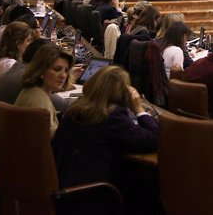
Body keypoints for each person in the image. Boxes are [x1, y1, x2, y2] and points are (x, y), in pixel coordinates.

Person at [53, 65, 158, 214]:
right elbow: (154, 139)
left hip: (67, 189)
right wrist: (139, 110)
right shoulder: (112, 116)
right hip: (92, 196)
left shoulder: (75, 110)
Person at [14, 45, 73, 137]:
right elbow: (49, 139)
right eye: (57, 69)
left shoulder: (31, 91)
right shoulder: (39, 100)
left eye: (66, 71)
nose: (63, 75)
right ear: (41, 70)